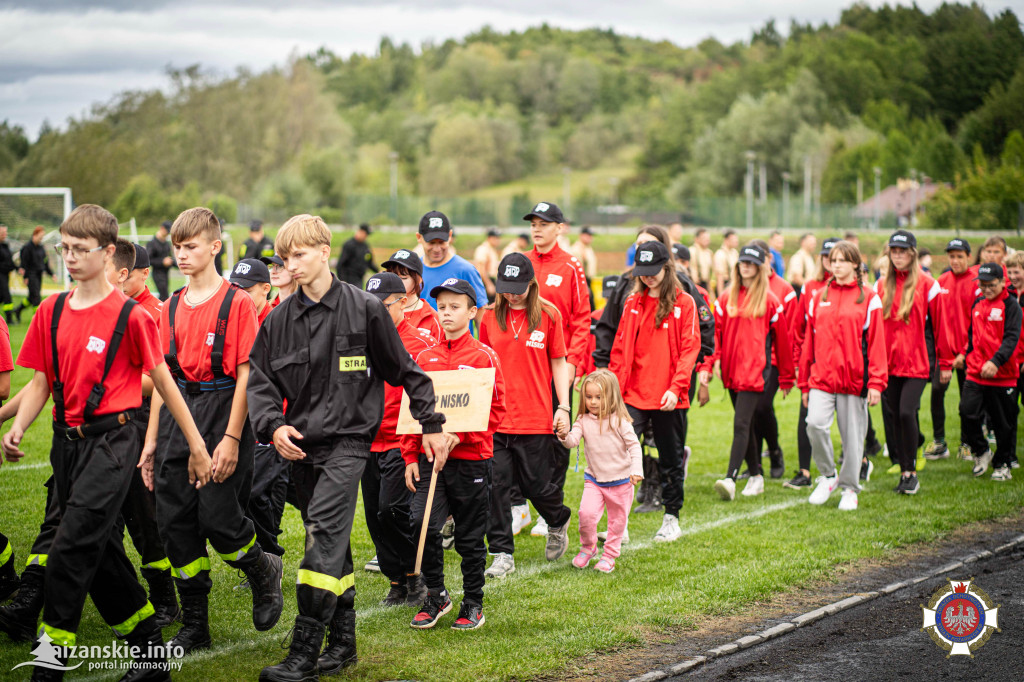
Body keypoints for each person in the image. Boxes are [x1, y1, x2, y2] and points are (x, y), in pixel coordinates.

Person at [2, 204, 213, 678]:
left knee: (69, 550)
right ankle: (149, 651)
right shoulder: (49, 309)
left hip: (114, 443)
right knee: (102, 557)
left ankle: (48, 663)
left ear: (108, 252)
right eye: (65, 248)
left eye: (81, 249)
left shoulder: (132, 317)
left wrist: (197, 447)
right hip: (66, 445)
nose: (70, 258)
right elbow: (40, 382)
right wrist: (18, 426)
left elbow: (164, 382)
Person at [247, 214, 447, 678]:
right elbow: (258, 381)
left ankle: (303, 651)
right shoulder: (278, 320)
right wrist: (273, 426)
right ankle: (343, 645)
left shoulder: (365, 309)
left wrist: (431, 423)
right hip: (299, 450)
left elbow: (408, 372)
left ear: (324, 251)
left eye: (299, 255)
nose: (291, 265)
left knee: (320, 536)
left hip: (350, 445)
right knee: (335, 543)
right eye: (286, 258)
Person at [140, 207, 284, 655]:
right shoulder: (171, 305)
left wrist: (232, 438)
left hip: (223, 409)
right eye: (177, 248)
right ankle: (196, 624)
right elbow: (163, 378)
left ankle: (263, 569)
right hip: (178, 414)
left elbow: (247, 375)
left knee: (220, 519)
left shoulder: (237, 303)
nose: (181, 255)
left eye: (191, 247)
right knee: (176, 523)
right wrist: (150, 442)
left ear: (215, 246)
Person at [403, 278, 505, 631]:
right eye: (442, 307)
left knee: (469, 536)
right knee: (421, 524)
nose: (447, 313)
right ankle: (436, 595)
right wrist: (409, 457)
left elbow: (497, 411)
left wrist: (457, 436)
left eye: (455, 306)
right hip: (430, 462)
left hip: (472, 461)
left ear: (472, 311)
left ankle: (473, 602)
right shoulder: (424, 358)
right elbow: (411, 410)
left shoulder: (483, 356)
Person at [480, 254, 573, 580]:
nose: (511, 294)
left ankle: (558, 517)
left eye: (518, 288)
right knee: (497, 486)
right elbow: (482, 365)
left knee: (536, 485)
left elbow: (559, 362)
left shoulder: (549, 315)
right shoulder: (489, 317)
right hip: (498, 420)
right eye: (506, 288)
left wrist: (563, 406)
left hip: (535, 417)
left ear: (531, 283)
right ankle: (502, 553)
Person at [609, 241, 700, 539]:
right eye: (643, 272)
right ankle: (618, 524)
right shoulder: (632, 304)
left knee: (670, 459)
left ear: (667, 267)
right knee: (620, 457)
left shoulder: (684, 303)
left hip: (668, 397)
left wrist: (676, 388)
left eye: (653, 271)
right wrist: (614, 391)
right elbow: (620, 349)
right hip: (633, 394)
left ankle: (671, 516)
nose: (647, 277)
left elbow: (690, 349)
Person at [361, 272, 435, 605]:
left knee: (392, 510)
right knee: (375, 517)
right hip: (366, 442)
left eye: (382, 305)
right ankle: (396, 580)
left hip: (400, 441)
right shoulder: (361, 340)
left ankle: (415, 575)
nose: (373, 311)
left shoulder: (418, 344)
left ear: (402, 302)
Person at [800, 241, 887, 511]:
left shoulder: (869, 297)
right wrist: (804, 383)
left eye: (841, 260)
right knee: (814, 424)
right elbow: (808, 343)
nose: (835, 264)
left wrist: (876, 382)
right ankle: (828, 475)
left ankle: (850, 488)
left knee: (852, 439)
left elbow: (876, 344)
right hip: (822, 379)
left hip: (854, 381)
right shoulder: (819, 297)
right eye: (832, 260)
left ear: (855, 264)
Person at [523, 201, 591, 536]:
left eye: (545, 223)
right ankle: (520, 504)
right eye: (534, 223)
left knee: (556, 435)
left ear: (559, 228)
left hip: (558, 366)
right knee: (521, 436)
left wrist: (574, 363)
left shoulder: (570, 266)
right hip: (524, 367)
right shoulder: (521, 264)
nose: (537, 228)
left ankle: (549, 507)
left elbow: (581, 318)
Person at [712, 245, 795, 501]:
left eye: (751, 262)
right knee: (744, 423)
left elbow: (783, 341)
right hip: (731, 371)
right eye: (742, 262)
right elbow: (716, 332)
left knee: (741, 423)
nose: (745, 266)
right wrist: (715, 359)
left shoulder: (770, 301)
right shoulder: (726, 298)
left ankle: (730, 478)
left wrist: (787, 377)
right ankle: (757, 476)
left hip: (755, 371)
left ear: (760, 267)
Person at [875, 229, 950, 495]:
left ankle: (912, 473)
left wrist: (946, 363)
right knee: (896, 416)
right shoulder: (881, 285)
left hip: (917, 364)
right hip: (889, 364)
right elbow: (875, 329)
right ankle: (905, 472)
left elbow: (941, 327)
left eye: (902, 251)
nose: (897, 256)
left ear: (912, 253)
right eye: (893, 251)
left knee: (907, 412)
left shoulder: (929, 284)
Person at [557, 370, 642, 573]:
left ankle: (610, 555)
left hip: (621, 482)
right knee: (585, 514)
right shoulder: (583, 420)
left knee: (617, 523)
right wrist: (563, 435)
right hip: (594, 480)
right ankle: (589, 548)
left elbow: (635, 446)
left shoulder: (620, 420)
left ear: (611, 397)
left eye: (598, 397)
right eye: (588, 397)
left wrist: (636, 469)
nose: (593, 402)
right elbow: (572, 442)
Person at [955, 264, 1021, 480]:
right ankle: (982, 451)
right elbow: (973, 336)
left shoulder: (1012, 307)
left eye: (991, 285)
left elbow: (1012, 338)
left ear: (1003, 282)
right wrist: (965, 354)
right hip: (975, 372)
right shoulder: (978, 303)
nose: (986, 289)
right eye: (983, 285)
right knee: (967, 412)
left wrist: (996, 361)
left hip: (1003, 375)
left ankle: (1002, 464)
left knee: (1003, 424)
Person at [784, 237, 838, 490]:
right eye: (826, 256)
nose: (830, 262)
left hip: (845, 366)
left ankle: (859, 460)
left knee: (852, 420)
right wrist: (798, 363)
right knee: (806, 416)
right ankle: (805, 471)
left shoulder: (857, 289)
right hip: (814, 364)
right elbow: (798, 330)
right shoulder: (810, 287)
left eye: (836, 257)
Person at [748, 238, 801, 480]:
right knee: (749, 412)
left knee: (762, 407)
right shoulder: (743, 288)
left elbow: (790, 332)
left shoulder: (785, 290)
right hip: (748, 361)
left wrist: (791, 367)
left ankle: (775, 451)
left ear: (769, 259)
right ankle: (754, 464)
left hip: (775, 361)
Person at [925, 238, 976, 461]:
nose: (955, 260)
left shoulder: (976, 282)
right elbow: (936, 321)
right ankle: (939, 442)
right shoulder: (941, 281)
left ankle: (966, 443)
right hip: (944, 354)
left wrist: (964, 352)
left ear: (968, 257)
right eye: (951, 256)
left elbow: (977, 322)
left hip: (969, 354)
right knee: (936, 394)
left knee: (968, 403)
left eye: (959, 256)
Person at [417, 211, 487, 315]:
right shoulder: (414, 270)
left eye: (441, 242)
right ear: (419, 238)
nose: (437, 249)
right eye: (431, 243)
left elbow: (481, 314)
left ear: (450, 236)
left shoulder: (465, 270)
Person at [381, 249, 443, 340]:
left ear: (418, 280)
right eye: (392, 277)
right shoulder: (379, 310)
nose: (397, 282)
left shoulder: (432, 319)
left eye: (403, 278)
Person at [19, 225, 55, 308]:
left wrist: (51, 274)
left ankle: (18, 311)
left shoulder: (41, 248)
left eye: (42, 237)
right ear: (35, 235)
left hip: (39, 275)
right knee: (36, 297)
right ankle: (37, 318)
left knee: (32, 297)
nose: (41, 239)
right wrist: (26, 277)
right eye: (40, 237)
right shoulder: (27, 248)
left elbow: (45, 262)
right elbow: (24, 264)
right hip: (31, 275)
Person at [230, 258, 273, 325]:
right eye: (236, 291)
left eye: (247, 292)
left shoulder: (274, 322)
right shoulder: (230, 317)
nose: (240, 297)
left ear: (265, 289)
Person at [337, 223, 377, 287]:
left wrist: (378, 271)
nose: (366, 236)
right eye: (365, 234)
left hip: (359, 279)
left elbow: (369, 262)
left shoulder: (366, 246)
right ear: (360, 232)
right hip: (348, 279)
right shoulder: (349, 245)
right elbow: (341, 264)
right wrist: (342, 281)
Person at [147, 220, 175, 300]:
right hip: (157, 273)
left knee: (164, 295)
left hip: (165, 273)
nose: (168, 234)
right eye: (167, 231)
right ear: (162, 228)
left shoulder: (166, 244)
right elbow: (149, 260)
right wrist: (162, 262)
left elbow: (169, 259)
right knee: (164, 296)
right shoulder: (152, 243)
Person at [473, 229, 502, 301]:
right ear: (490, 238)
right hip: (485, 280)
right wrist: (488, 284)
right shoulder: (483, 249)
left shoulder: (491, 249)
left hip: (490, 280)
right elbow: (481, 269)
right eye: (496, 238)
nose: (498, 240)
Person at [712, 229, 739, 296]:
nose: (736, 241)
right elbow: (719, 277)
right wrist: (721, 295)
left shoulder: (734, 252)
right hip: (725, 285)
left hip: (734, 284)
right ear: (726, 240)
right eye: (733, 239)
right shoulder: (720, 254)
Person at [0, 224, 17, 323]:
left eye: (5, 233)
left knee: (2, 297)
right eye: (2, 233)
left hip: (5, 275)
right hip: (0, 275)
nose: (4, 235)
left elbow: (10, 261)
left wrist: (18, 268)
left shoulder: (5, 246)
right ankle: (9, 319)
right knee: (7, 296)